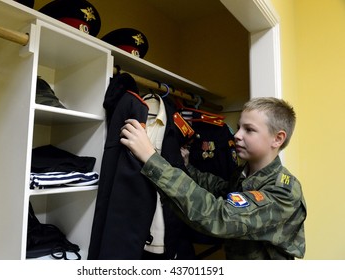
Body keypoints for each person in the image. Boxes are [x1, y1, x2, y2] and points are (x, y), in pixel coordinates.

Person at [120, 97, 307, 260]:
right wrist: (187, 167)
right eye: (239, 127)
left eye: (249, 130)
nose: (237, 135)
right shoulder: (245, 174)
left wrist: (151, 158)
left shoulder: (284, 191)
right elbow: (219, 189)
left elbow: (219, 217)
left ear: (278, 139)